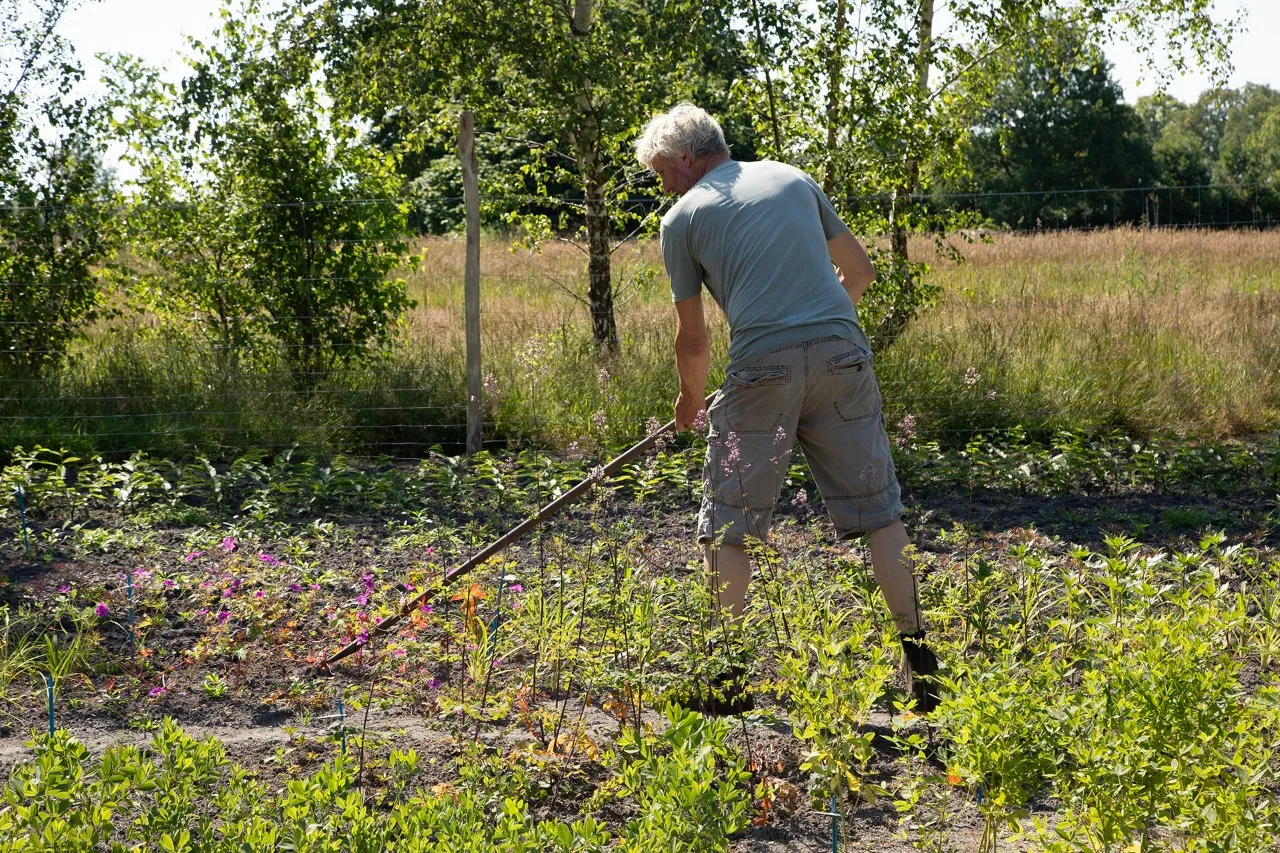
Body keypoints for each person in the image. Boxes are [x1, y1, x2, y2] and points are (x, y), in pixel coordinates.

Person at [634, 102, 939, 715]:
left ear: (688, 159)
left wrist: (691, 400)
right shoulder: (792, 177)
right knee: (880, 512)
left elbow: (693, 339)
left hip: (761, 365)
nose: (663, 185)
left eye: (664, 171)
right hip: (845, 356)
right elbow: (860, 272)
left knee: (729, 521)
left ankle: (726, 679)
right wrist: (823, 337)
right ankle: (922, 666)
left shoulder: (682, 218)